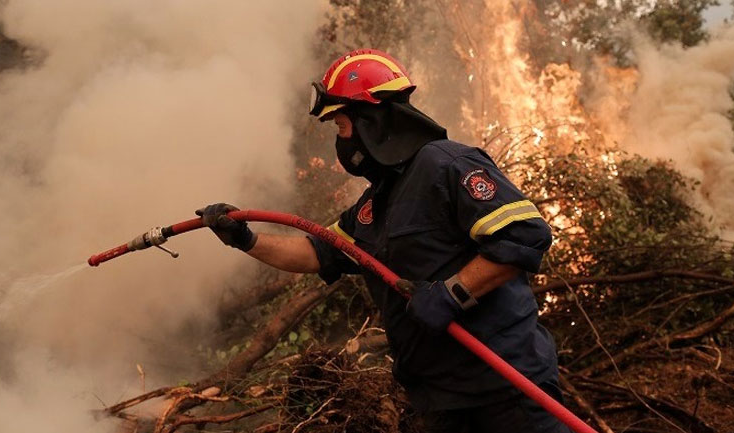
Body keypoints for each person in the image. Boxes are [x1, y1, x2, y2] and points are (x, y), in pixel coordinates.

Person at [197, 49, 570, 433]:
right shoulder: (375, 204)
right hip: (437, 399)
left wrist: (453, 293)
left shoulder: (448, 165)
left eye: (341, 124)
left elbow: (524, 235)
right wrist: (245, 238)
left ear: (371, 121)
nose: (340, 139)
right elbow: (316, 252)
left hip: (506, 389)